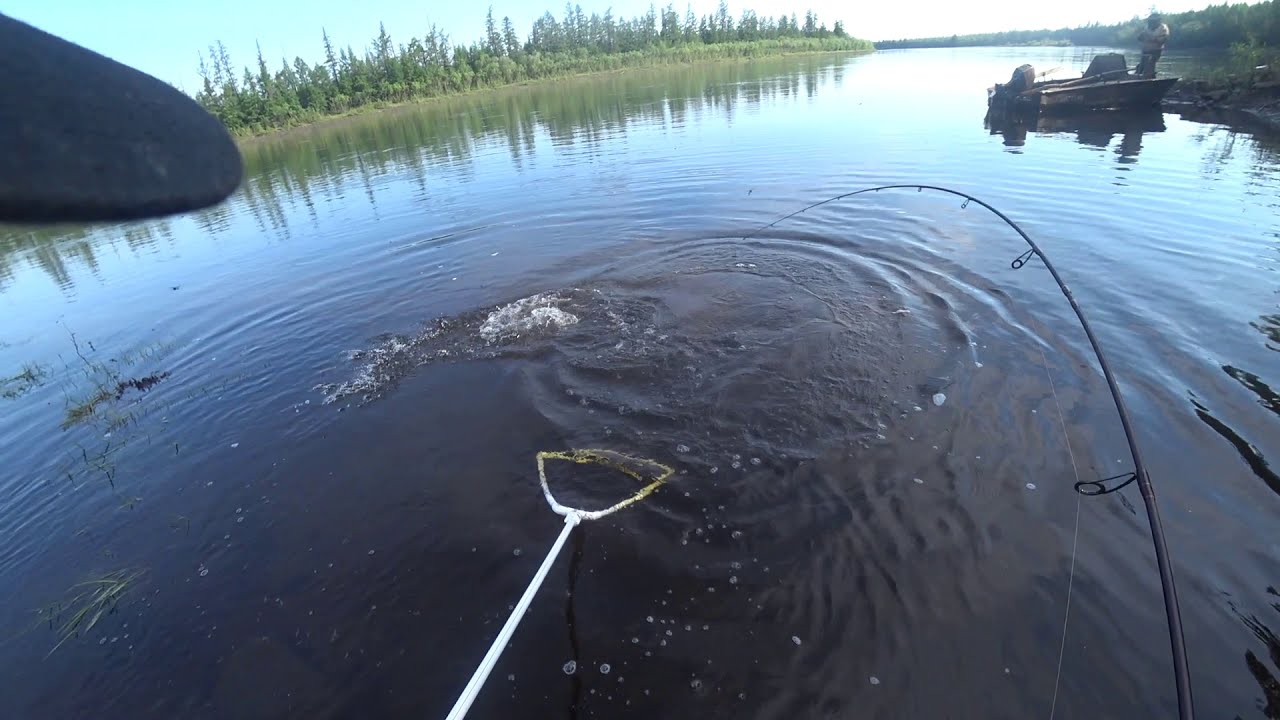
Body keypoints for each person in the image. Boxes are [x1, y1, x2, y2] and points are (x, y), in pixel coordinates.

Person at [1136, 14, 1171, 79]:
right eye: (1149, 21)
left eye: (1152, 21)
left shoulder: (1163, 28)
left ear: (1157, 21)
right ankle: (1136, 79)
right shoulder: (1146, 28)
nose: (1150, 23)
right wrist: (1140, 36)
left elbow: (1162, 41)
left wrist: (1151, 38)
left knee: (1150, 66)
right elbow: (1139, 38)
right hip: (1145, 51)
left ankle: (1151, 81)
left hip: (1155, 51)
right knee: (1140, 67)